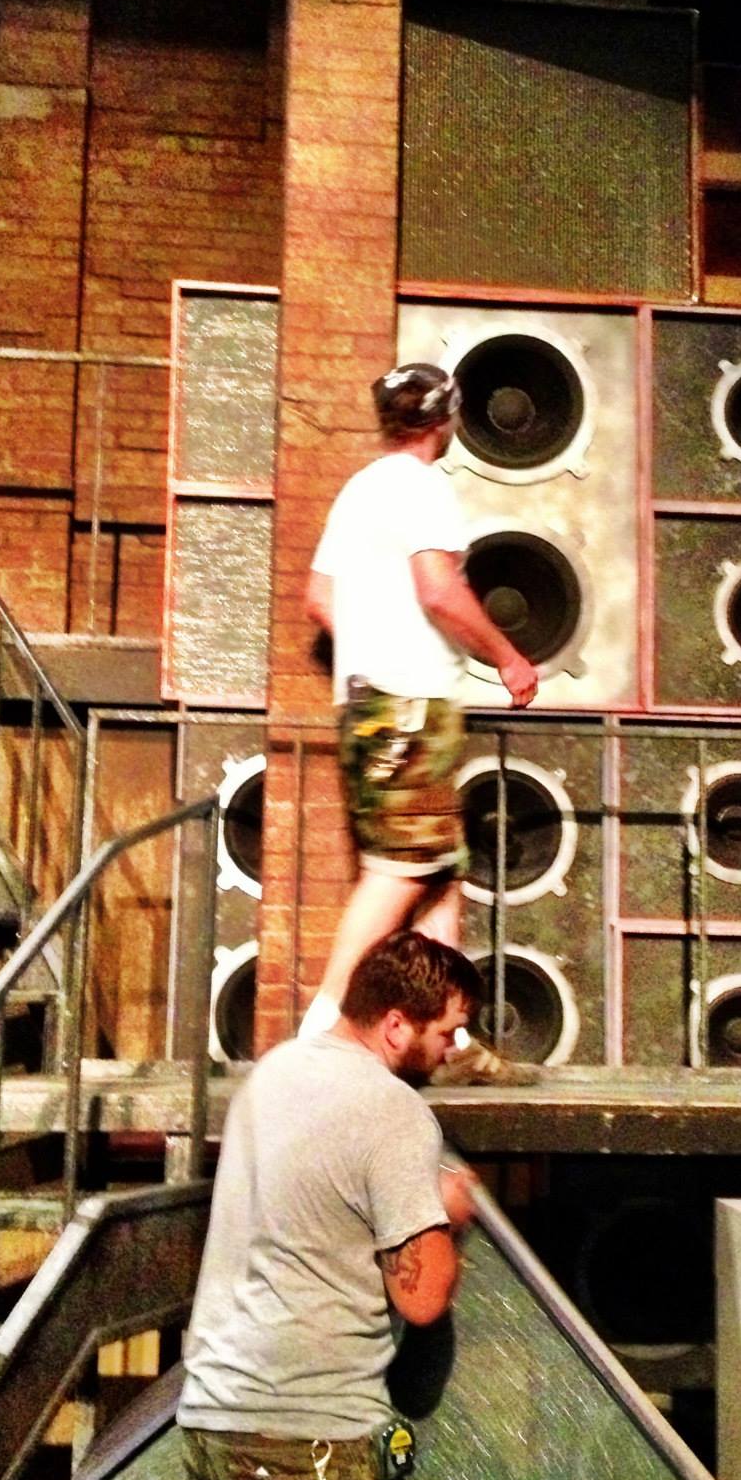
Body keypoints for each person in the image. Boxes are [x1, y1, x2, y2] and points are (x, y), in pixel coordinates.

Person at [178, 931, 481, 1480]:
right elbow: (422, 1297)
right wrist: (446, 1212)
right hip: (309, 1436)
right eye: (447, 1030)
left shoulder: (275, 1072)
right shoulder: (392, 1110)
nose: (454, 1049)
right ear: (396, 1025)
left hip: (214, 1417)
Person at [299, 360, 539, 1079]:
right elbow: (438, 589)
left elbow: (319, 599)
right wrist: (508, 657)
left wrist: (374, 648)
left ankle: (451, 1040)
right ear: (446, 419)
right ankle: (320, 1032)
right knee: (398, 872)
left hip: (372, 700)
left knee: (439, 874)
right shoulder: (422, 487)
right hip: (408, 704)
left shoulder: (360, 489)